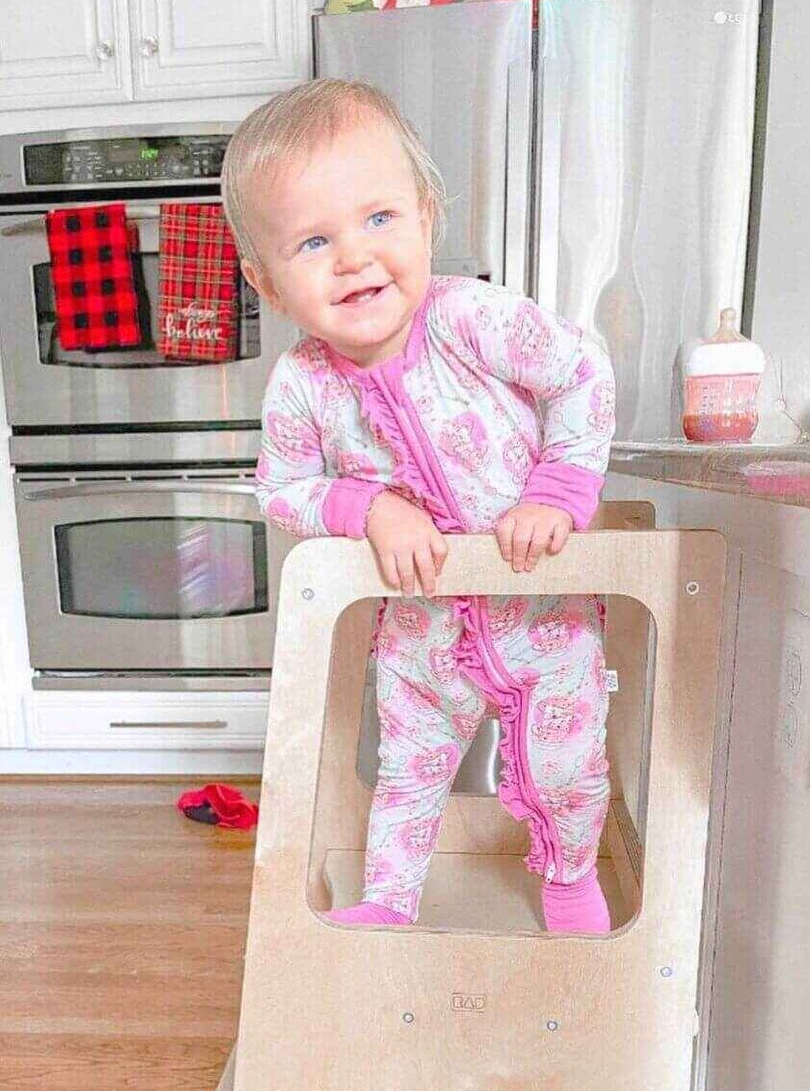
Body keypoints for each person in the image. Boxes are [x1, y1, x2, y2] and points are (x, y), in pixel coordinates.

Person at [223, 79, 616, 934]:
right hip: (419, 630)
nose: (353, 257)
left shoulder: (473, 319)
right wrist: (367, 506)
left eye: (378, 220)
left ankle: (569, 877)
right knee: (405, 769)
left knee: (567, 766)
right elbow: (281, 487)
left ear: (426, 216)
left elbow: (581, 373)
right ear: (267, 280)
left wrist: (558, 486)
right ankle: (389, 903)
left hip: (541, 609)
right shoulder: (301, 383)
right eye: (314, 240)